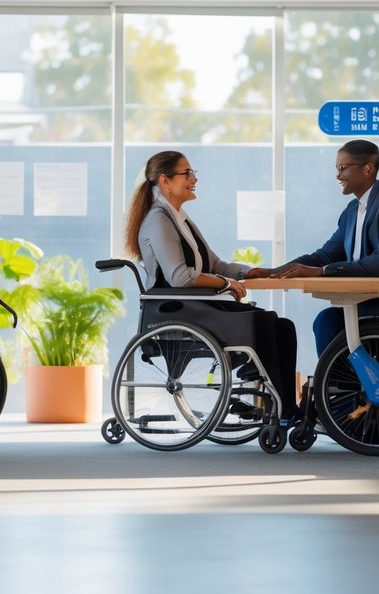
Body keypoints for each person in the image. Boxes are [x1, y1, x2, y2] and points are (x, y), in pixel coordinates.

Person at [125, 150, 300, 422]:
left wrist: (254, 272)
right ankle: (275, 400)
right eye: (187, 173)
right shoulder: (159, 220)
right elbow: (180, 277)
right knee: (263, 322)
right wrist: (226, 284)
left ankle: (287, 408)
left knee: (283, 326)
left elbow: (215, 264)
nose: (194, 179)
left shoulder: (179, 218)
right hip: (176, 310)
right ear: (165, 181)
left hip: (195, 306)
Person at [263, 139, 379, 356]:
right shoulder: (352, 210)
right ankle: (341, 377)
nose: (337, 175)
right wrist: (273, 272)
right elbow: (324, 255)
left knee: (326, 321)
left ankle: (340, 378)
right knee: (326, 321)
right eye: (336, 168)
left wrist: (322, 271)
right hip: (360, 301)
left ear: (368, 169)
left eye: (342, 168)